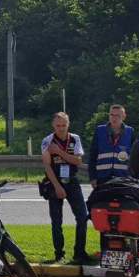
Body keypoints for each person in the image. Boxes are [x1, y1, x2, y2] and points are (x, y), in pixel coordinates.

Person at [41, 112, 93, 265]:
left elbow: (77, 161)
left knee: (82, 217)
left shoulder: (75, 139)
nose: (61, 128)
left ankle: (80, 252)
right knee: (56, 221)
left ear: (68, 124)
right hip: (54, 181)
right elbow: (47, 166)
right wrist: (57, 187)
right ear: (53, 125)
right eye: (58, 125)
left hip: (72, 180)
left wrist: (59, 152)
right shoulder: (47, 141)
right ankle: (59, 254)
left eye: (64, 125)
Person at [87, 104, 135, 187]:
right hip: (102, 177)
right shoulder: (100, 130)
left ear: (124, 117)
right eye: (112, 115)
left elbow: (134, 157)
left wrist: (133, 177)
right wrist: (92, 177)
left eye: (117, 115)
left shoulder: (130, 131)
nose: (114, 118)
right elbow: (93, 156)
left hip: (123, 178)